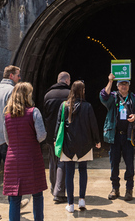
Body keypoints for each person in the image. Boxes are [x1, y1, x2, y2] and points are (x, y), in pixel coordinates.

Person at [0, 65, 28, 221]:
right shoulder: (12, 91)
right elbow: (13, 116)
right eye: (18, 75)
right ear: (11, 76)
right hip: (5, 139)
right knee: (13, 175)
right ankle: (13, 205)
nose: (19, 78)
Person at [3, 82, 47, 221]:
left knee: (15, 198)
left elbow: (7, 139)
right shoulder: (34, 112)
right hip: (32, 158)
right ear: (26, 96)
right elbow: (41, 136)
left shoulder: (7, 116)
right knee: (37, 194)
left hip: (13, 160)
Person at [56, 80, 101, 213]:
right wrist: (97, 140)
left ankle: (70, 204)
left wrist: (55, 140)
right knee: (83, 171)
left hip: (68, 144)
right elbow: (93, 124)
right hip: (85, 145)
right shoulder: (87, 106)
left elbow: (59, 124)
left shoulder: (64, 106)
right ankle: (82, 200)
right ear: (82, 91)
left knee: (69, 173)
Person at [99, 73, 135, 201]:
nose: (124, 86)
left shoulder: (134, 98)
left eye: (126, 84)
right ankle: (115, 188)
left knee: (129, 163)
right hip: (115, 136)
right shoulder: (113, 97)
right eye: (121, 84)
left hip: (129, 136)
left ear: (129, 85)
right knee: (114, 163)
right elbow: (103, 96)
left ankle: (129, 189)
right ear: (117, 86)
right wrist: (110, 81)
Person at [41, 71, 71, 203]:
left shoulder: (48, 95)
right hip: (65, 134)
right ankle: (60, 190)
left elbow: (45, 115)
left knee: (53, 161)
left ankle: (53, 187)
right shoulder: (70, 95)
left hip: (51, 134)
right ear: (67, 81)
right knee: (63, 162)